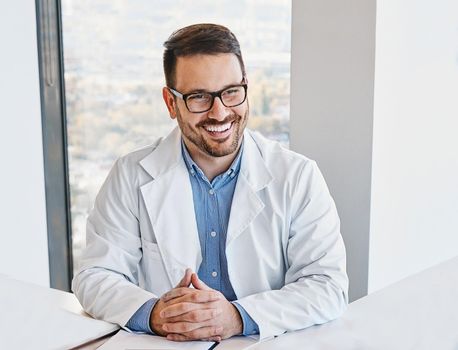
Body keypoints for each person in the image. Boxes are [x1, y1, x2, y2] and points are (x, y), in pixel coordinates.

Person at [72, 23, 348, 342]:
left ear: (246, 88)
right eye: (199, 97)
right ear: (170, 103)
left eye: (231, 92)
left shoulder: (297, 176)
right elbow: (95, 276)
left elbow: (327, 285)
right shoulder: (131, 174)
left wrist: (237, 317)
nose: (220, 113)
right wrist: (154, 313)